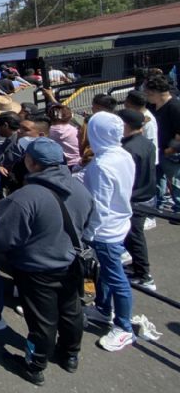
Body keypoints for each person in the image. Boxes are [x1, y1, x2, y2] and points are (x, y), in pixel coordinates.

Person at [0, 138, 93, 385]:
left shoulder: (26, 197)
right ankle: (70, 355)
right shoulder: (80, 189)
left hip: (36, 268)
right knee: (71, 311)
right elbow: (88, 224)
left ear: (32, 162)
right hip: (71, 261)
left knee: (41, 321)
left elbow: (3, 237)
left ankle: (35, 365)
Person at [81, 112, 136, 352]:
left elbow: (99, 206)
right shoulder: (123, 155)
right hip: (120, 222)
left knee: (116, 278)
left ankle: (124, 328)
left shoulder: (101, 165)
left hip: (105, 231)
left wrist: (89, 232)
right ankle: (103, 309)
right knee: (105, 272)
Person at [117, 109, 158, 291]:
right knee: (133, 235)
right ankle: (137, 267)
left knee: (134, 237)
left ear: (125, 125)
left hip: (135, 198)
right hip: (147, 195)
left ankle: (144, 275)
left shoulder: (127, 149)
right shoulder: (146, 143)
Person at [144, 75, 180, 212]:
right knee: (157, 180)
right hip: (157, 149)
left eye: (148, 93)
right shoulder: (152, 105)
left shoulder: (174, 106)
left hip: (170, 152)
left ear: (157, 93)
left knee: (176, 183)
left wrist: (170, 150)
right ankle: (158, 204)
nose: (146, 96)